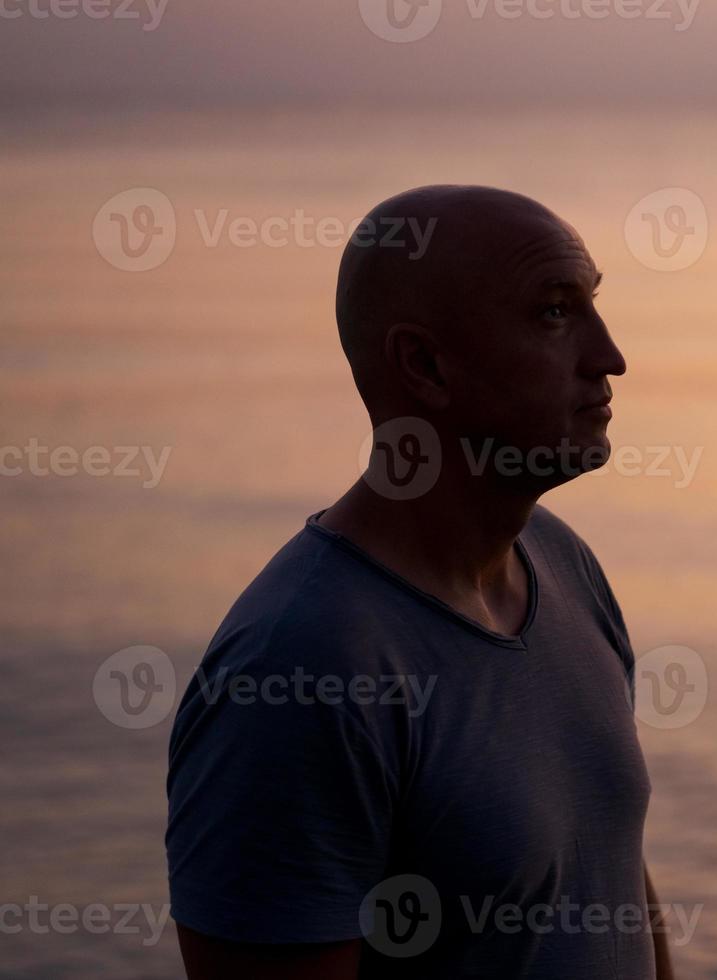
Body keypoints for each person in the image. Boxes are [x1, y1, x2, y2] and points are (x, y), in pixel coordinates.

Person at [165, 185, 674, 978]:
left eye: (592, 305)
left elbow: (613, 886)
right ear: (426, 366)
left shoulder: (564, 566)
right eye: (553, 312)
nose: (610, 356)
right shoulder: (299, 671)